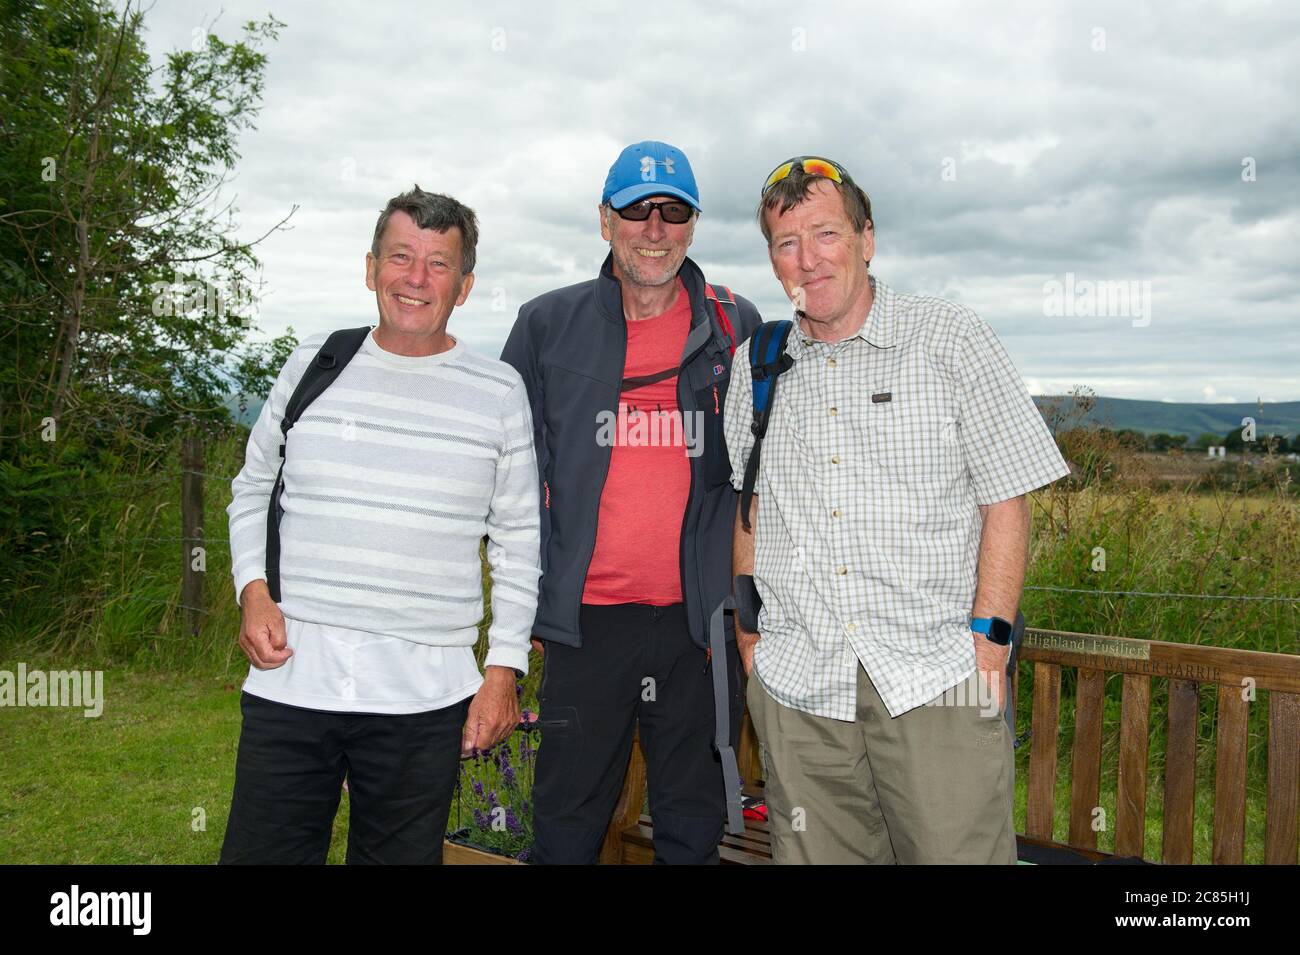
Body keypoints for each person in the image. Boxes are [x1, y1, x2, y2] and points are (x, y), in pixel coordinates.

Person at [726, 156, 1070, 864]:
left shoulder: (950, 338)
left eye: (826, 234)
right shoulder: (755, 365)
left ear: (867, 238)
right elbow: (750, 506)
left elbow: (1008, 492)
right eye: (786, 243)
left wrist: (990, 640)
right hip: (800, 688)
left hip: (935, 679)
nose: (807, 259)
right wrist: (752, 641)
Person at [219, 186, 540, 864]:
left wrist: (503, 666)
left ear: (465, 283)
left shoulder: (498, 392)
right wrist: (252, 588)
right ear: (371, 269)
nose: (416, 279)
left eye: (438, 263)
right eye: (401, 257)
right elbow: (251, 486)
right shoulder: (315, 363)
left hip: (423, 697)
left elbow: (518, 539)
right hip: (292, 680)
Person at [501, 141, 763, 864]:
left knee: (692, 827)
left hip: (698, 628)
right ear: (604, 220)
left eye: (672, 210)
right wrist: (519, 609)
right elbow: (506, 475)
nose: (654, 227)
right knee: (566, 826)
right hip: (586, 626)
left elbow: (763, 472)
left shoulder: (735, 325)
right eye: (636, 210)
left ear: (694, 222)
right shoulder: (545, 324)